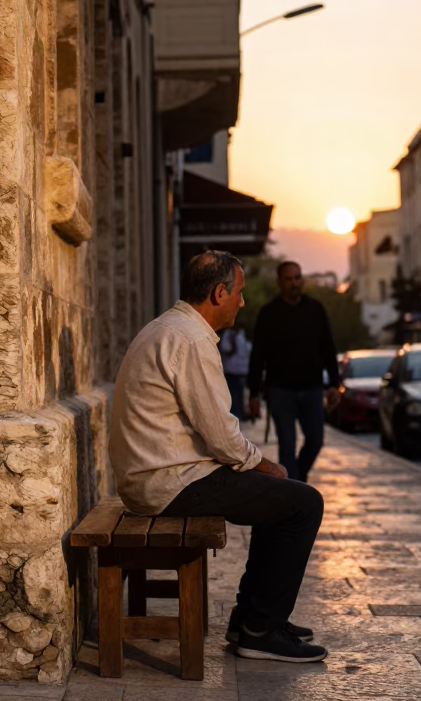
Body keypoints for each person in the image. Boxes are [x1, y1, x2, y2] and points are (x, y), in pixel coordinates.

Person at [109, 250, 327, 662]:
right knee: (302, 502)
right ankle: (260, 630)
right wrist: (265, 464)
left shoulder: (170, 327)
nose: (242, 303)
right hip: (168, 483)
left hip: (156, 476)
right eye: (239, 293)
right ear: (219, 292)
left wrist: (260, 470)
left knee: (275, 498)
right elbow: (222, 436)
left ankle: (252, 619)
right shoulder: (190, 340)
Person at [246, 260, 340, 482]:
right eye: (289, 279)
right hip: (280, 389)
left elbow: (328, 346)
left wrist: (335, 383)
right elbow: (258, 354)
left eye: (297, 277)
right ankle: (296, 490)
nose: (294, 283)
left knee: (315, 440)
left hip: (312, 387)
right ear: (280, 282)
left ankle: (297, 480)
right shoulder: (269, 313)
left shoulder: (315, 309)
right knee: (287, 444)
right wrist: (253, 393)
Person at [218, 325, 252, 421]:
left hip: (242, 370)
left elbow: (249, 350)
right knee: (232, 394)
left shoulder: (243, 335)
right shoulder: (229, 335)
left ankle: (240, 413)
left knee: (240, 393)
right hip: (232, 370)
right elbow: (226, 349)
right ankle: (234, 415)